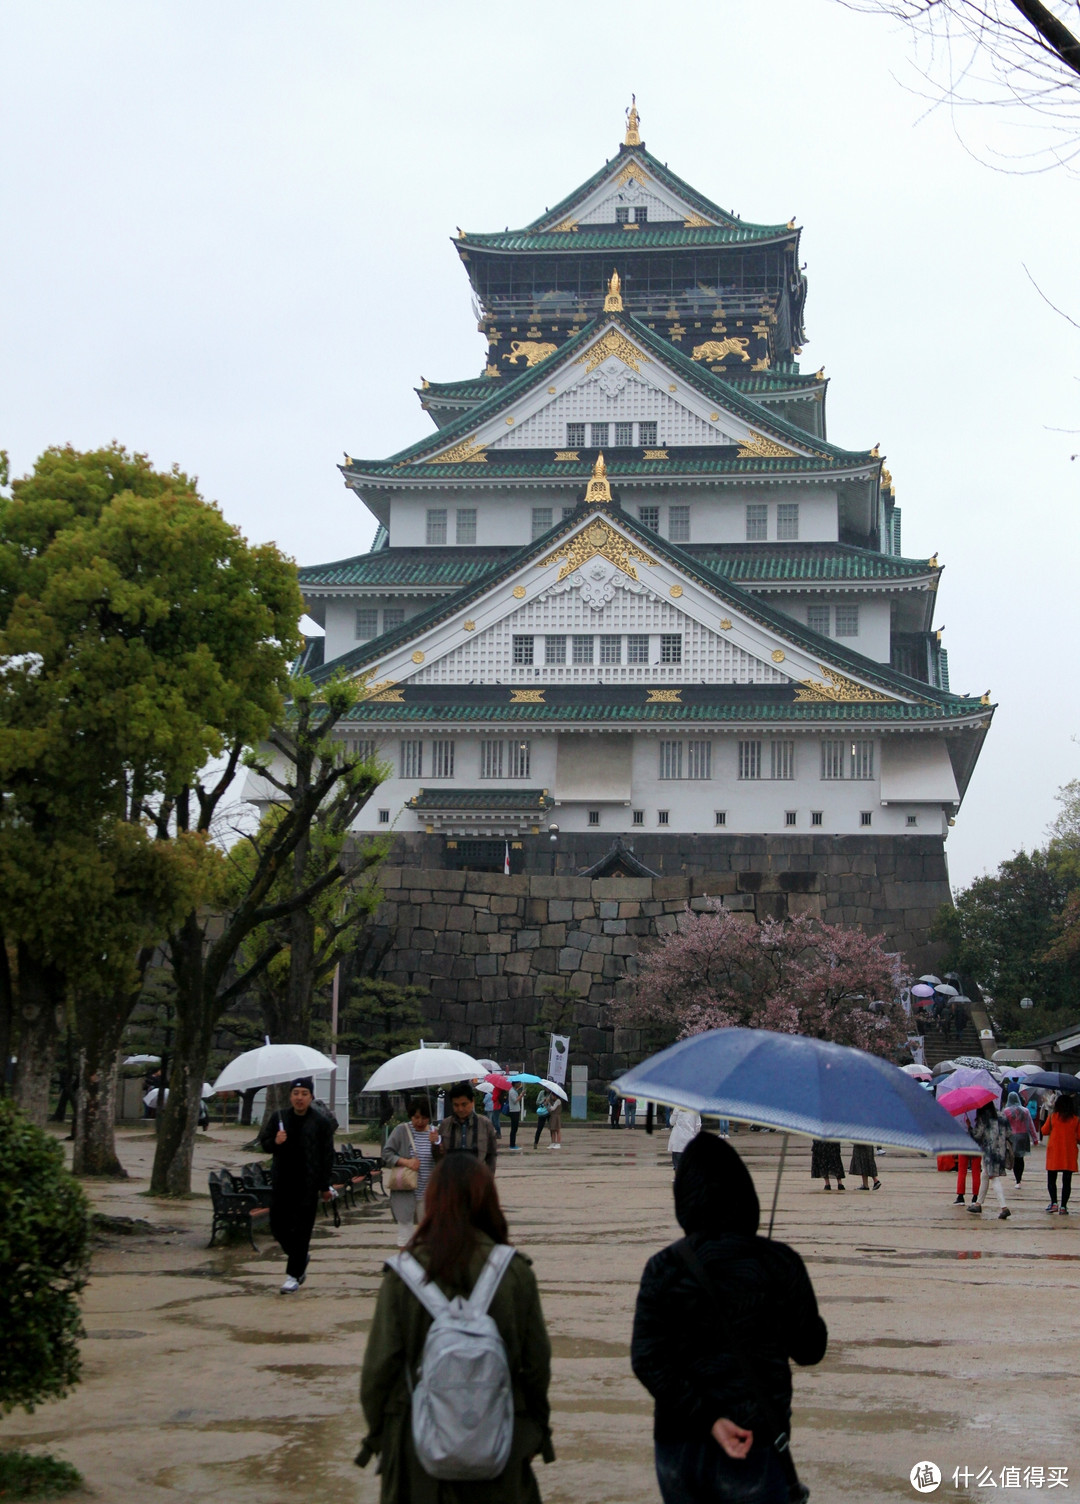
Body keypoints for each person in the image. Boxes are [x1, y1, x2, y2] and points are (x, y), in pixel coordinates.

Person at [632, 1134, 828, 1504]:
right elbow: (810, 1349)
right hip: (754, 1435)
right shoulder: (778, 1262)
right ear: (745, 1192)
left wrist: (705, 1417)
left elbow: (647, 1360)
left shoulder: (663, 1267)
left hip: (679, 1442)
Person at [358, 1154, 555, 1503]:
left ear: (432, 1201)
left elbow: (378, 1370)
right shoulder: (515, 1273)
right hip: (500, 1444)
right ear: (489, 1200)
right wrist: (534, 1433)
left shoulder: (402, 1275)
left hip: (417, 1449)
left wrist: (381, 1435)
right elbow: (537, 1366)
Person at [256, 1076, 336, 1293]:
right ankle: (300, 1257)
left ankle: (293, 1275)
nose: (299, 1098)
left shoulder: (321, 1123)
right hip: (283, 1182)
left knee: (302, 1230)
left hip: (308, 1185)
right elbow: (264, 1143)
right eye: (296, 1093)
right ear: (290, 1096)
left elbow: (327, 1155)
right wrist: (275, 1141)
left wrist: (325, 1185)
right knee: (277, 1225)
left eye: (304, 1094)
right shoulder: (279, 1118)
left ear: (311, 1097)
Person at [383, 1097, 440, 1248]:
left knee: (427, 1234)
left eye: (424, 1117)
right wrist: (406, 1162)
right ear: (410, 1116)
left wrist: (436, 1144)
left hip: (428, 1191)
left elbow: (442, 1160)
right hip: (405, 1190)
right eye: (416, 1117)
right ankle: (404, 1267)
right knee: (405, 1234)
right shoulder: (401, 1130)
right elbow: (387, 1154)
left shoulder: (435, 1133)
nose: (420, 1122)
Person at [435, 1081, 498, 1172]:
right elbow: (438, 1158)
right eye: (456, 1105)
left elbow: (491, 1155)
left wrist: (488, 1180)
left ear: (472, 1101)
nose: (460, 1109)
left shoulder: (485, 1124)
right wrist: (435, 1145)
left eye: (464, 1104)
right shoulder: (445, 1125)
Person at [969, 1101, 1011, 1219]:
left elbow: (977, 1135)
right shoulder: (1002, 1115)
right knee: (985, 1175)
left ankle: (1004, 1207)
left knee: (994, 1178)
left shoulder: (984, 1118)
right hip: (1001, 1151)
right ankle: (978, 1203)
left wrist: (970, 1128)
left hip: (989, 1151)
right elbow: (1009, 1132)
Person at [1042, 1092, 1080, 1214]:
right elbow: (1079, 1137)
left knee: (1051, 1179)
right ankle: (1063, 1206)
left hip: (1054, 1152)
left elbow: (1044, 1131)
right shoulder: (1076, 1120)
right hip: (1069, 1153)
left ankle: (1054, 1203)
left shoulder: (1053, 1117)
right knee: (1067, 1181)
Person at [1003, 1090, 1038, 1187]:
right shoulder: (1025, 1111)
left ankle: (1017, 1179)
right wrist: (1035, 1138)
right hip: (1023, 1136)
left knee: (1014, 1157)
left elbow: (1003, 1125)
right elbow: (1030, 1125)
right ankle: (1019, 1179)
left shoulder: (1006, 1111)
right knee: (1020, 1158)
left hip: (1012, 1137)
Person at [668, 1107, 701, 1172]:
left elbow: (671, 1122)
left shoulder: (677, 1108)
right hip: (690, 1137)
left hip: (677, 1138)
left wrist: (673, 1114)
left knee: (677, 1161)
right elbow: (698, 1125)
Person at [507, 1083, 523, 1150]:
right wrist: (521, 1095)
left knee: (515, 1128)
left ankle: (513, 1144)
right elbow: (515, 1101)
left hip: (516, 1110)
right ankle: (512, 1145)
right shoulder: (512, 1091)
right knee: (514, 1128)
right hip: (514, 1111)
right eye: (518, 1083)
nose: (519, 1084)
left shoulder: (514, 1090)